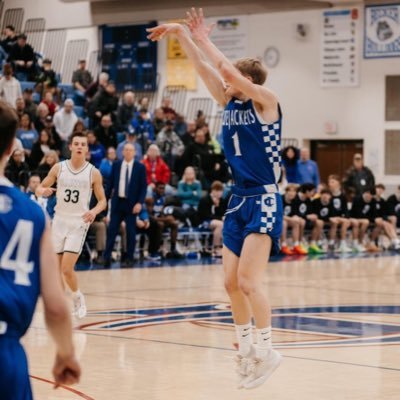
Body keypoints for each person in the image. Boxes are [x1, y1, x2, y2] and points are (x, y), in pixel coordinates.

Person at [148, 8, 282, 388]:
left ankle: (269, 348)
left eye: (233, 79)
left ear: (247, 81)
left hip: (265, 199)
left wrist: (205, 38)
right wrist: (181, 35)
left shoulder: (266, 102)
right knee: (229, 285)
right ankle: (246, 352)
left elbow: (223, 70)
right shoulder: (230, 105)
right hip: (239, 199)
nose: (225, 83)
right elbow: (207, 71)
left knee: (250, 282)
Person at [0, 100, 81, 398]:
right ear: (11, 147)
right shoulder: (33, 214)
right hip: (5, 356)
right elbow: (57, 308)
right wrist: (66, 353)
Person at [35, 131, 107, 318]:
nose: (79, 147)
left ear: (87, 148)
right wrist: (43, 191)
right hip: (59, 221)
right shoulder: (59, 168)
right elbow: (38, 188)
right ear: (71, 146)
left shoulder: (93, 172)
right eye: (76, 143)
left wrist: (93, 211)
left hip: (78, 222)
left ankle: (78, 298)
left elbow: (102, 201)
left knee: (67, 269)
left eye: (83, 144)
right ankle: (60, 306)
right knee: (57, 271)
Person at [103, 143, 147, 268]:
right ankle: (106, 257)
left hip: (131, 204)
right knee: (112, 231)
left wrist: (139, 202)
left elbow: (143, 187)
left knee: (130, 232)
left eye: (130, 150)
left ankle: (129, 258)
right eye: (126, 150)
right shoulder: (116, 165)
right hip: (118, 202)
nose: (128, 152)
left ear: (134, 153)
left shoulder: (140, 167)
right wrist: (104, 200)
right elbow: (110, 184)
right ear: (122, 152)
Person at [197, 180, 227, 257]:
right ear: (212, 190)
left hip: (216, 221)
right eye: (217, 191)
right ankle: (216, 248)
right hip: (203, 221)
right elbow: (205, 215)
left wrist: (217, 206)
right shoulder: (205, 199)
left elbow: (223, 213)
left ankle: (227, 248)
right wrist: (220, 217)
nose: (219, 193)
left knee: (226, 223)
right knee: (220, 224)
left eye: (220, 191)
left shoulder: (222, 201)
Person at [280, 184, 308, 255]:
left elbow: (296, 213)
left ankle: (296, 245)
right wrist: (291, 218)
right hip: (279, 219)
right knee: (284, 223)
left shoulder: (295, 200)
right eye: (290, 191)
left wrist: (296, 217)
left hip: (289, 219)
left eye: (294, 192)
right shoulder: (280, 199)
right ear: (286, 192)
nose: (292, 194)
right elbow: (279, 215)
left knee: (297, 222)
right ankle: (283, 245)